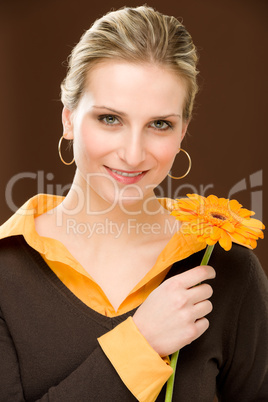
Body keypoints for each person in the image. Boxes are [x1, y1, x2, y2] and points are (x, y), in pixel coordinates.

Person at [0, 5, 267, 402]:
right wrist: (139, 347)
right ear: (69, 118)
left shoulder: (226, 268)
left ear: (182, 132)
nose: (133, 153)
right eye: (110, 119)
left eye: (159, 124)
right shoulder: (5, 273)